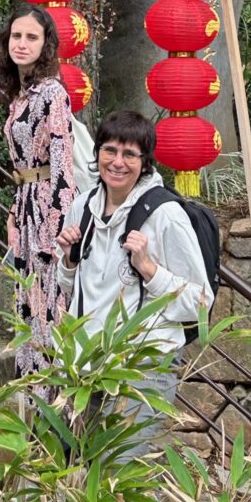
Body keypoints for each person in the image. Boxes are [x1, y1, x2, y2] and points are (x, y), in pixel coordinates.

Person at [55, 109, 211, 454]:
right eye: (109, 150)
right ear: (96, 152)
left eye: (129, 154)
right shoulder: (82, 206)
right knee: (70, 468)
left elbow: (200, 303)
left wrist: (149, 269)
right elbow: (69, 288)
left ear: (145, 161)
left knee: (119, 470)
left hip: (142, 365)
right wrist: (68, 259)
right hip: (85, 363)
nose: (117, 162)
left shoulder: (166, 215)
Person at [0, 3, 76, 391]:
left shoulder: (52, 93)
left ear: (46, 45)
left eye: (31, 37)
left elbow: (62, 163)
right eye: (16, 36)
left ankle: (51, 399)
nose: (21, 44)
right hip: (25, 205)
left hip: (47, 210)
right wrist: (14, 210)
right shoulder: (21, 94)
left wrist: (56, 232)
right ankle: (29, 397)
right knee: (26, 302)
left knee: (48, 305)